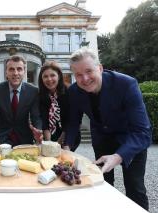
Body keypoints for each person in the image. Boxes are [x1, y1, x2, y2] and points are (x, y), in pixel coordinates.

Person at [64, 48, 152, 210]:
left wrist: (119, 156)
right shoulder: (74, 91)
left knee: (135, 188)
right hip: (101, 139)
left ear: (100, 68)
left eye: (89, 71)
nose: (85, 79)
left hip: (130, 140)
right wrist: (67, 147)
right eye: (78, 75)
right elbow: (73, 123)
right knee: (103, 184)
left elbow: (143, 132)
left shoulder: (127, 84)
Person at [0, 55, 43, 146]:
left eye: (19, 69)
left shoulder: (33, 91)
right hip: (1, 138)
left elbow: (36, 116)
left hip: (24, 139)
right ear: (6, 72)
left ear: (24, 71)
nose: (15, 73)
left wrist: (38, 130)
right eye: (11, 69)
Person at [38, 61, 70, 144]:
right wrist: (49, 143)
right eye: (45, 76)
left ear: (59, 76)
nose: (49, 79)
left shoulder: (69, 92)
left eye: (52, 75)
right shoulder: (41, 95)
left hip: (68, 135)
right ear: (41, 79)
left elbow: (70, 120)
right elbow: (44, 120)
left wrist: (59, 142)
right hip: (50, 135)